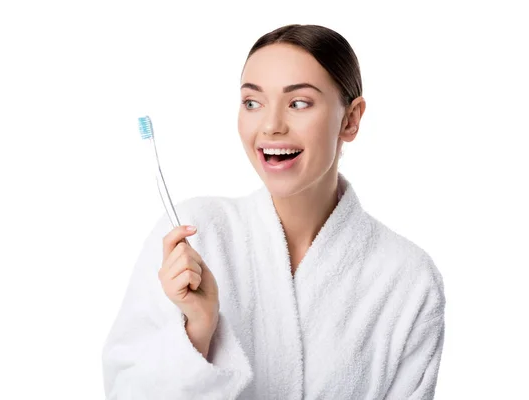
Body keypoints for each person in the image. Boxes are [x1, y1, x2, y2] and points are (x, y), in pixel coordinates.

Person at [102, 24, 446, 399]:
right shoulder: (193, 236)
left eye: (298, 103)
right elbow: (127, 390)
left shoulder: (408, 278)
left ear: (351, 119)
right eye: (253, 103)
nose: (270, 126)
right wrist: (198, 329)